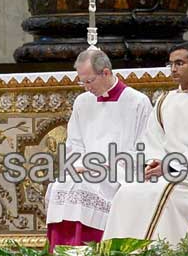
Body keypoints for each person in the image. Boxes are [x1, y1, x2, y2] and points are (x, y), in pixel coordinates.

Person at [102, 41, 188, 243]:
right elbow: (153, 140)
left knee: (161, 195)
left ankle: (154, 250)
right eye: (171, 64)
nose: (173, 69)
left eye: (179, 63)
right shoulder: (165, 100)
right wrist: (154, 164)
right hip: (163, 174)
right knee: (127, 192)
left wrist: (170, 167)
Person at [45, 46, 152, 248]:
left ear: (106, 72)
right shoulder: (82, 102)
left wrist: (105, 166)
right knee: (61, 186)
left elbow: (143, 148)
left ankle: (91, 249)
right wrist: (83, 165)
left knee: (85, 188)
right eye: (81, 82)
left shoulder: (137, 102)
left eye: (89, 81)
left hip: (120, 174)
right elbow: (74, 144)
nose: (86, 87)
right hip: (85, 169)